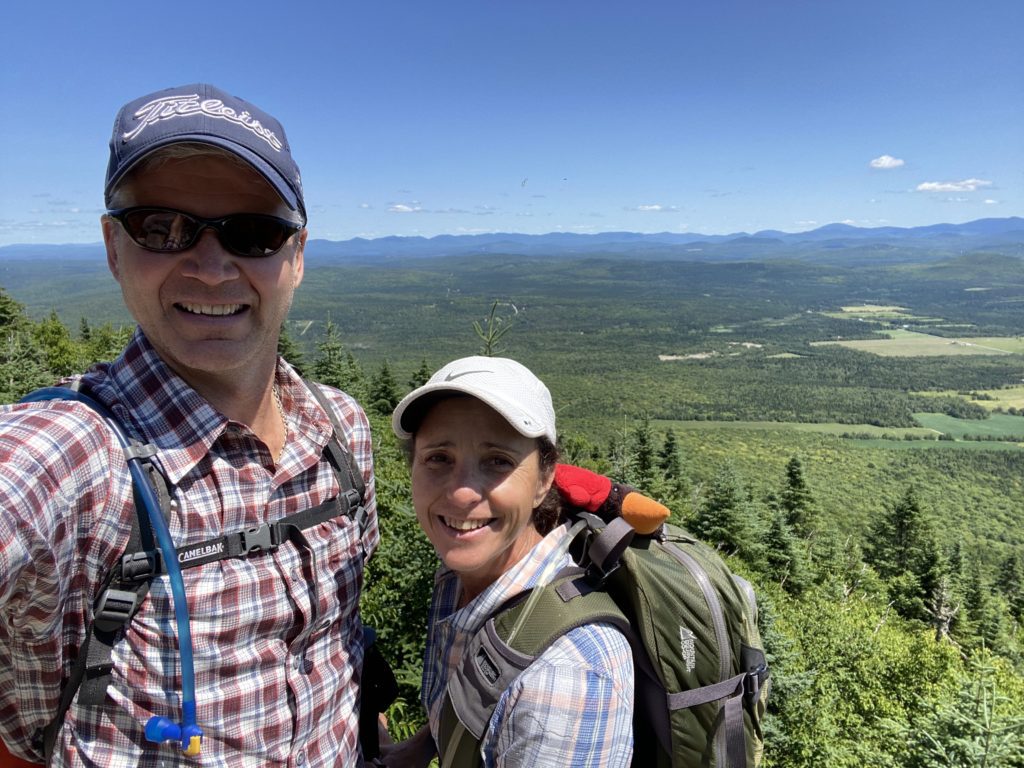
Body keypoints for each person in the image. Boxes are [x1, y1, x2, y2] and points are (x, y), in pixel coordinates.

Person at [0, 84, 379, 766]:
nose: (209, 267)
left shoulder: (342, 432)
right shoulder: (77, 455)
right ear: (114, 248)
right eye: (161, 227)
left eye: (253, 233)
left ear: (296, 256)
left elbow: (335, 645)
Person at [378, 356, 633, 767]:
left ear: (545, 479)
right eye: (438, 458)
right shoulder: (466, 577)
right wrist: (422, 747)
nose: (461, 493)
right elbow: (483, 696)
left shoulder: (566, 677)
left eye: (498, 461)